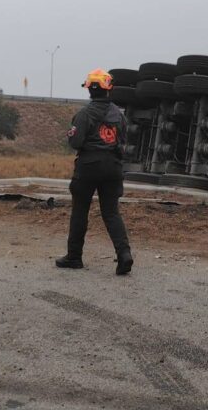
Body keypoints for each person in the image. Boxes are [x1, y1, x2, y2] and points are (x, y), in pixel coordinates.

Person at [56, 69, 133, 275]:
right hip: (113, 167)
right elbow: (123, 142)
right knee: (111, 212)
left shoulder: (83, 114)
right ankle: (124, 254)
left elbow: (76, 141)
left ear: (89, 89)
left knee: (80, 211)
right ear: (109, 89)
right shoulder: (119, 115)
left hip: (88, 166)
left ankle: (74, 257)